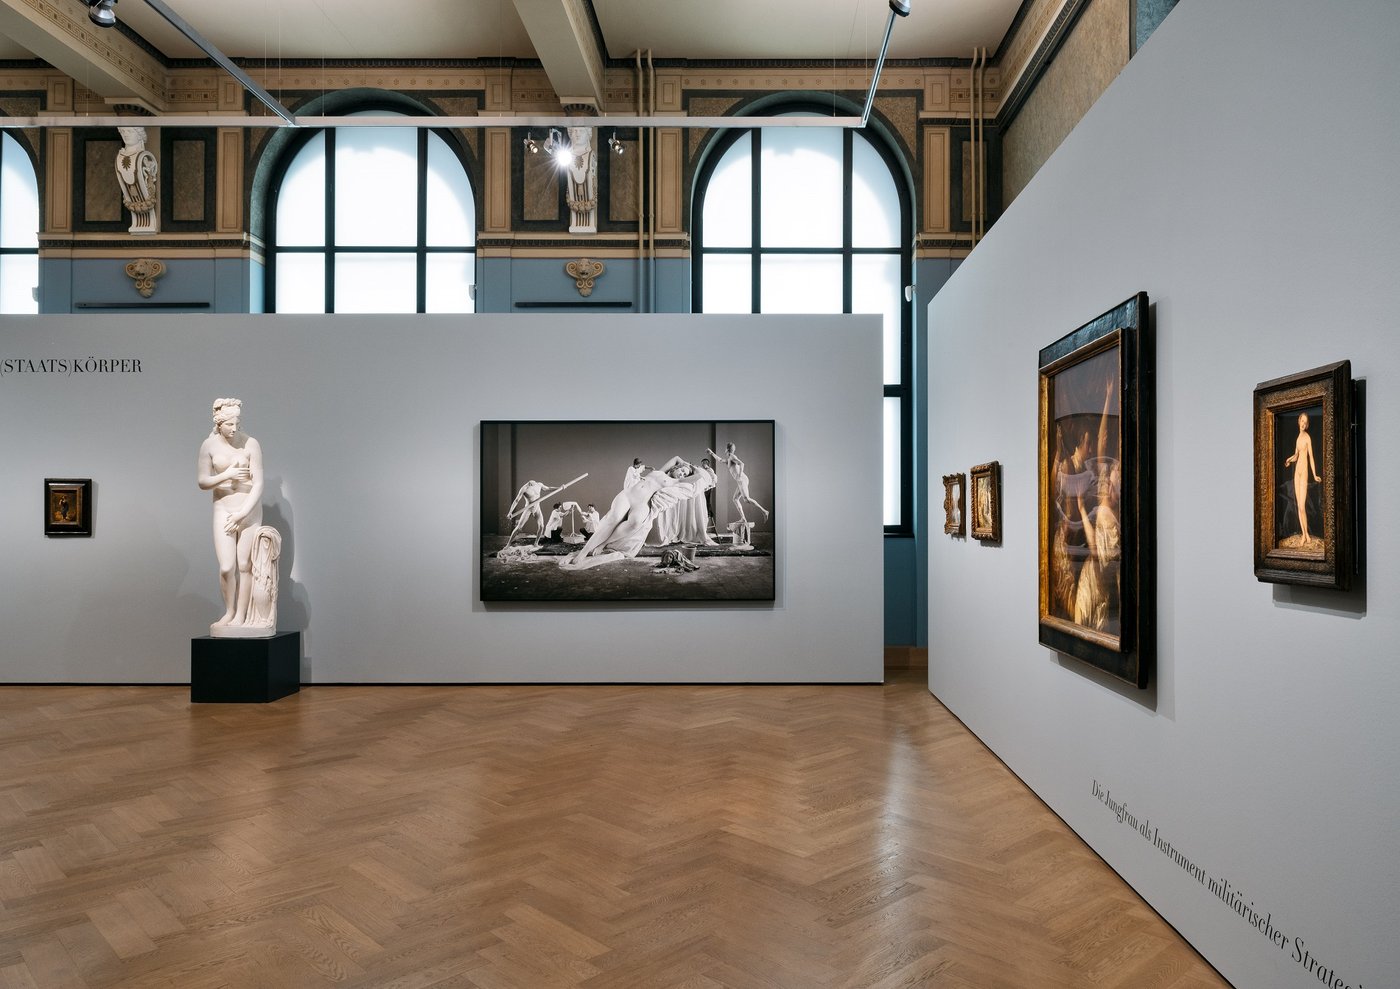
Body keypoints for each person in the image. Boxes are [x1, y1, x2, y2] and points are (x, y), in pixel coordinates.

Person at [196, 398, 264, 628]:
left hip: (248, 511)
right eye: (229, 425)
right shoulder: (209, 446)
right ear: (219, 423)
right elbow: (203, 482)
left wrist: (243, 513)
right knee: (227, 567)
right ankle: (229, 611)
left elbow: (258, 483)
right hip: (223, 509)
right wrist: (229, 475)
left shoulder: (251, 443)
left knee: (245, 566)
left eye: (237, 423)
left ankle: (241, 616)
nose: (234, 429)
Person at [566, 457, 706, 566]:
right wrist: (687, 464)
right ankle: (582, 554)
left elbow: (698, 476)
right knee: (613, 519)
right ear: (676, 467)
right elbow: (676, 458)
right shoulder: (661, 471)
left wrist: (692, 470)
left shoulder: (675, 482)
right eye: (681, 470)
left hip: (643, 502)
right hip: (629, 495)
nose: (681, 474)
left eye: (684, 474)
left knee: (635, 522)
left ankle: (603, 544)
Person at [707, 443, 769, 524]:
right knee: (735, 499)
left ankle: (764, 511)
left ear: (727, 449)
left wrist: (739, 475)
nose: (724, 450)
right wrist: (711, 453)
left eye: (725, 449)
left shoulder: (732, 456)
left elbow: (741, 464)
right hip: (740, 480)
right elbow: (720, 460)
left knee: (746, 499)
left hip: (742, 479)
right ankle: (743, 518)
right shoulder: (729, 459)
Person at [1283, 412, 1321, 545]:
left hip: (1304, 472)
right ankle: (1304, 535)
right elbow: (1296, 455)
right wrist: (1289, 460)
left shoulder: (1307, 438)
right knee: (1299, 506)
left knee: (1301, 506)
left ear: (1307, 424)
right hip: (1296, 473)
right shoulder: (1298, 438)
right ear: (1299, 421)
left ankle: (1306, 535)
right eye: (1302, 421)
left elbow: (1311, 457)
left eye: (1306, 422)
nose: (1303, 424)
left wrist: (1315, 474)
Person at [505, 479, 555, 546]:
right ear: (529, 484)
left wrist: (560, 487)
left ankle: (536, 543)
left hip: (537, 508)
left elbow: (548, 488)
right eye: (531, 484)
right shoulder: (524, 488)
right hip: (528, 509)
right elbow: (516, 500)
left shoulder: (539, 484)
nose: (532, 484)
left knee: (541, 526)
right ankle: (508, 544)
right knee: (519, 528)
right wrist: (510, 512)